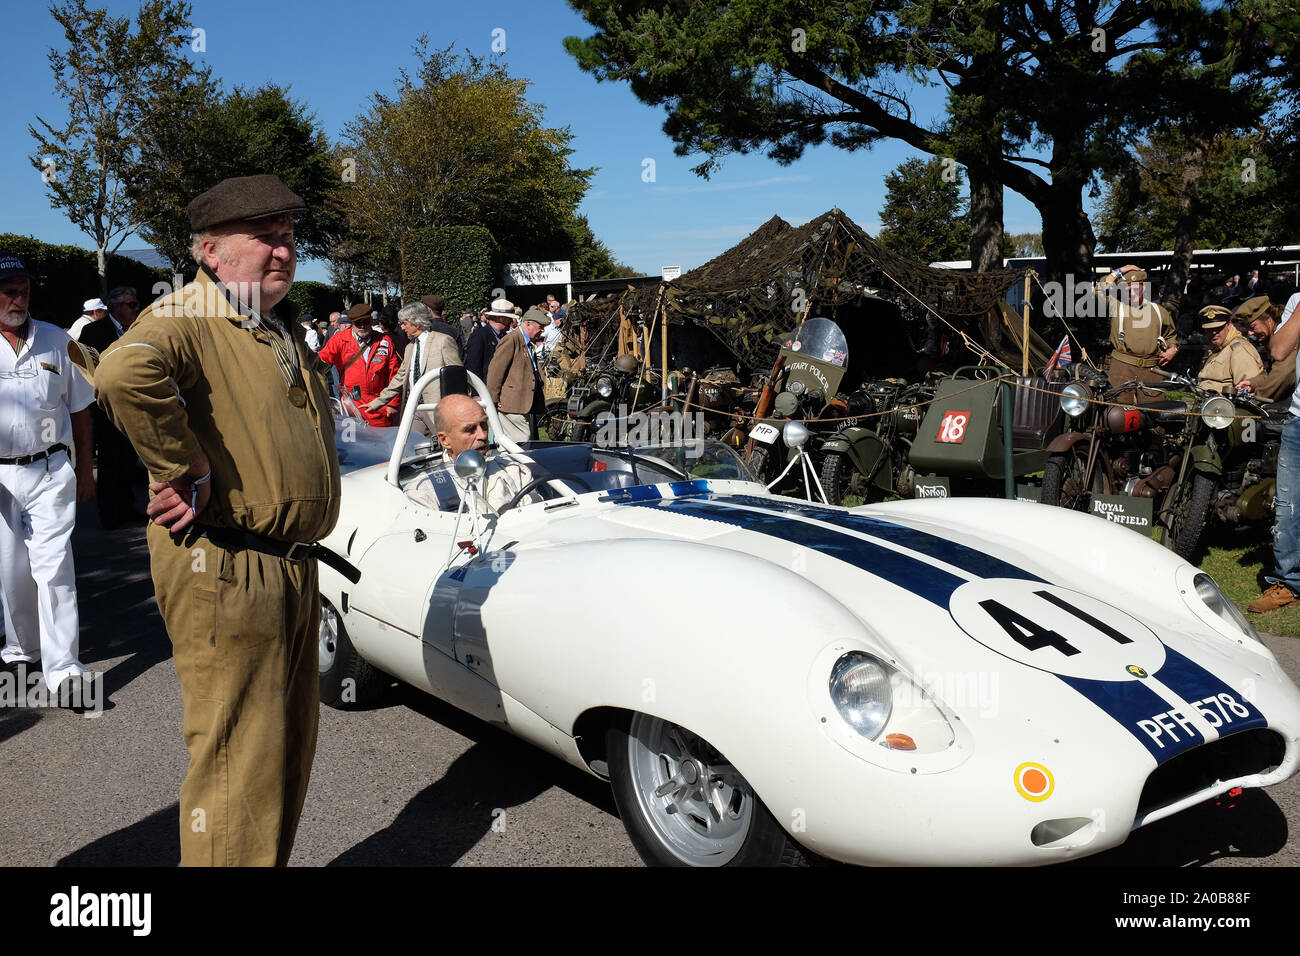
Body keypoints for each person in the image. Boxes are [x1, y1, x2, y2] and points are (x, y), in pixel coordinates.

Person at [93, 173, 342, 865]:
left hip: (286, 566)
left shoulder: (271, 322)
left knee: (283, 759)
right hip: (226, 566)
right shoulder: (186, 315)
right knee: (239, 768)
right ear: (210, 251)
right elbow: (121, 375)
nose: (283, 252)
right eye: (263, 238)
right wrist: (185, 466)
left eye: (289, 238)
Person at [0, 252, 96, 709]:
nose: (19, 298)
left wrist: (87, 468)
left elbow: (80, 407)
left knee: (55, 569)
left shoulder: (57, 339)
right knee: (11, 572)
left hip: (50, 470)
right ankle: (23, 649)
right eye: (9, 291)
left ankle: (64, 672)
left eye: (24, 289)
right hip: (0, 476)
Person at [1249, 288, 1300, 613]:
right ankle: (1288, 584)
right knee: (1287, 507)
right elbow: (1279, 350)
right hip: (1298, 420)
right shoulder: (1297, 301)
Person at [79, 286, 147, 529]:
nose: (136, 309)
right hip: (106, 407)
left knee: (128, 459)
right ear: (116, 307)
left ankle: (127, 508)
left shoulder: (137, 330)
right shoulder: (94, 331)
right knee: (110, 460)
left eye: (136, 304)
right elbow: (86, 367)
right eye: (131, 305)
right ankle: (109, 514)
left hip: (133, 404)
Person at [364, 302, 463, 436]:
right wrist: (379, 402)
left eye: (405, 324)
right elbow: (400, 377)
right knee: (412, 448)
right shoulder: (409, 347)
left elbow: (457, 377)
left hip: (438, 410)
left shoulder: (443, 341)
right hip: (414, 408)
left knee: (449, 447)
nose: (402, 328)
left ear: (416, 323)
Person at [432, 392, 540, 510]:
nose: (483, 435)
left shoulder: (516, 471)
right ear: (444, 440)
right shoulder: (428, 488)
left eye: (483, 425)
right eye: (470, 429)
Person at [318, 302, 401, 426]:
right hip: (350, 408)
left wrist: (392, 404)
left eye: (366, 322)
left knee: (379, 444)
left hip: (379, 407)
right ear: (352, 324)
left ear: (372, 321)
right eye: (358, 323)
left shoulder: (385, 341)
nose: (362, 326)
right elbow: (320, 363)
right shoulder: (339, 340)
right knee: (352, 444)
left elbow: (395, 375)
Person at [1098, 265, 1176, 389]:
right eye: (1127, 289)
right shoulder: (1116, 307)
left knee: (1152, 407)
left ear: (1143, 288)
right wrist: (1120, 271)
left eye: (1135, 288)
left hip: (1152, 370)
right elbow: (1099, 291)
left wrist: (1173, 349)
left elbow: (1170, 335)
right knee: (1119, 407)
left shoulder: (1159, 311)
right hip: (1122, 367)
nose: (1131, 292)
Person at [486, 306, 549, 443]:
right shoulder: (512, 340)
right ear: (527, 324)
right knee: (520, 444)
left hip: (522, 405)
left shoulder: (527, 342)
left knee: (518, 444)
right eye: (540, 326)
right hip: (511, 405)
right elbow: (495, 372)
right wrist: (493, 400)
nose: (542, 330)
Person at [1235, 296, 1295, 402]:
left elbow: (1283, 374)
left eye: (1252, 327)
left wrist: (1255, 400)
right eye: (1247, 329)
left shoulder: (1286, 335)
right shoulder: (1272, 336)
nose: (1250, 333)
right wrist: (1253, 383)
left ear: (1268, 319)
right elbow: (1272, 372)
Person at [1196, 305, 1262, 394]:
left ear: (1229, 325)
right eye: (1209, 329)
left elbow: (1246, 389)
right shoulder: (1217, 347)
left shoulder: (1238, 348)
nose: (1214, 332)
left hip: (1223, 405)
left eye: (1218, 328)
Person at [465, 297, 515, 385]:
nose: (511, 321)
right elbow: (473, 368)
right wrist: (477, 394)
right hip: (486, 390)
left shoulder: (505, 336)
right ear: (500, 318)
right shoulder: (479, 336)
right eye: (509, 318)